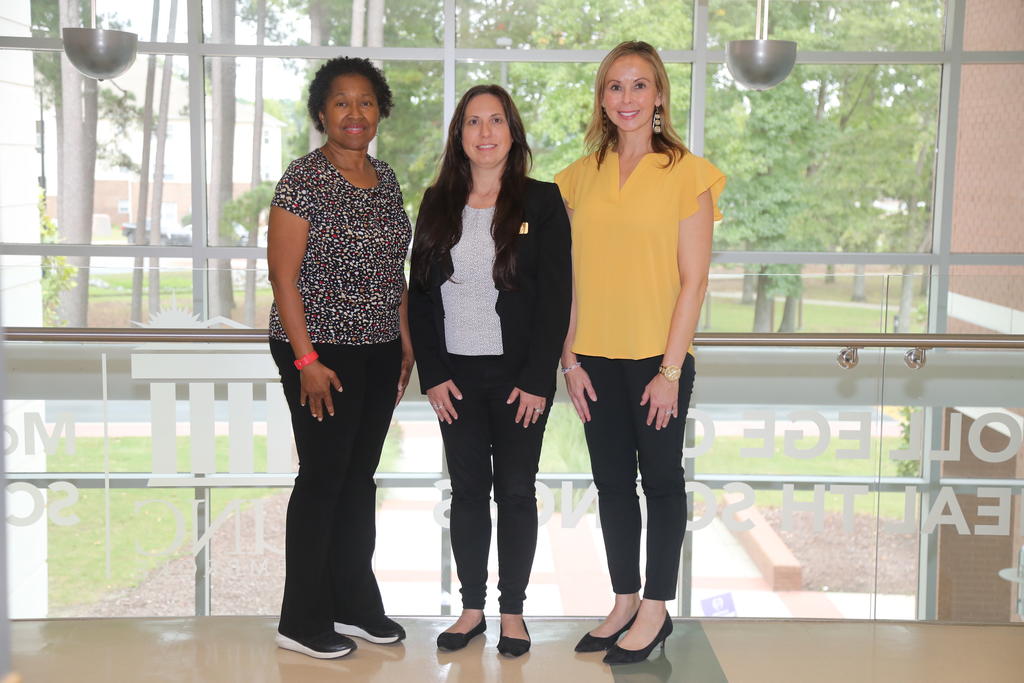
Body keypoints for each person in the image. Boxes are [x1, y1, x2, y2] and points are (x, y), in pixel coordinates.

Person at [554, 41, 725, 664]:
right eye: (614, 86)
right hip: (593, 360)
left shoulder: (688, 173)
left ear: (659, 96)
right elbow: (566, 280)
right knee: (611, 485)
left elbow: (694, 281)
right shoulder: (579, 175)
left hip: (659, 361)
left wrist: (670, 372)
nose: (626, 98)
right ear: (602, 98)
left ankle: (655, 609)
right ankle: (624, 600)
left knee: (661, 482)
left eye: (639, 85)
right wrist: (568, 361)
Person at [408, 85, 571, 658]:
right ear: (460, 135)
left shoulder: (543, 202)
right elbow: (421, 297)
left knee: (518, 494)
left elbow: (556, 299)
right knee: (469, 494)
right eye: (473, 122)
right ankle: (471, 608)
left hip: (518, 378)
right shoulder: (435, 202)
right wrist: (431, 374)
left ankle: (514, 612)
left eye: (495, 120)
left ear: (512, 131)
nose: (484, 132)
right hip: (455, 377)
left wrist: (536, 380)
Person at [267, 56, 414, 659]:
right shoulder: (302, 179)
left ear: (379, 110)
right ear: (321, 112)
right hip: (319, 353)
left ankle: (354, 604)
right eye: (341, 103)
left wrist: (405, 345)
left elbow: (393, 273)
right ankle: (302, 618)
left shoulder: (387, 180)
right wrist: (305, 362)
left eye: (365, 102)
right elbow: (282, 279)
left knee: (358, 480)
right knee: (323, 480)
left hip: (379, 351)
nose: (354, 113)